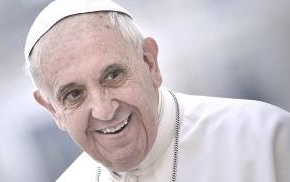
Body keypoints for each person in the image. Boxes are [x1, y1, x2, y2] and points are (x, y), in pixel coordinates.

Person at [24, 0, 290, 181]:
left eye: (113, 75)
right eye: (74, 94)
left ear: (150, 62)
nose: (104, 111)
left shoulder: (264, 136)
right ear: (52, 109)